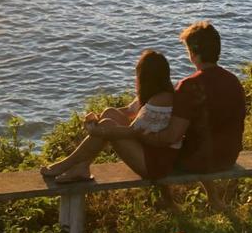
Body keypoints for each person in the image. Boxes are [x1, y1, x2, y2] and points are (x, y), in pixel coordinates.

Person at [42, 22, 247, 211]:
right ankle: (80, 166)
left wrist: (139, 135)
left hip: (198, 160)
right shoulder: (233, 81)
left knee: (133, 131)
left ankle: (71, 165)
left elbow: (170, 137)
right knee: (116, 118)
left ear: (193, 53)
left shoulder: (190, 86)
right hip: (228, 156)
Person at [40, 49, 181, 183]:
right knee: (109, 113)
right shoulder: (157, 94)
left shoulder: (161, 99)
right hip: (150, 152)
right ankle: (81, 167)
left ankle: (67, 164)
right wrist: (97, 116)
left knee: (108, 124)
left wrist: (97, 130)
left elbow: (133, 131)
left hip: (157, 165)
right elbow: (128, 110)